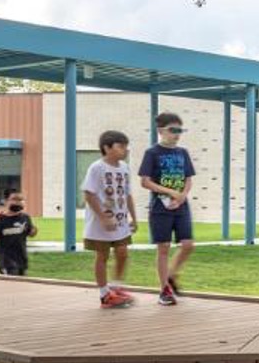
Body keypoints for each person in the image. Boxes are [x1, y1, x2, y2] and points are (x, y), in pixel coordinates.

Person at [138, 111, 197, 306]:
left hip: (181, 205)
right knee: (163, 247)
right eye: (173, 130)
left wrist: (181, 197)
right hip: (160, 207)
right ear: (161, 130)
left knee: (188, 245)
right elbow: (145, 182)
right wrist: (170, 192)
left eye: (180, 130)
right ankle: (164, 290)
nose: (177, 134)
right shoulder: (152, 153)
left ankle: (171, 276)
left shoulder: (183, 153)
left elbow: (188, 179)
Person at [82, 130, 138, 309]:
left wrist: (134, 218)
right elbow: (89, 194)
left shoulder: (124, 167)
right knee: (102, 256)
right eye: (121, 146)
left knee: (123, 253)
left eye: (126, 146)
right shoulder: (97, 167)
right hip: (101, 223)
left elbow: (128, 195)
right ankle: (105, 295)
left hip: (120, 222)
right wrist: (102, 218)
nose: (125, 150)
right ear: (107, 148)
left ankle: (116, 287)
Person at [0, 188, 36, 277]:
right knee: (11, 283)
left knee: (22, 285)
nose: (18, 202)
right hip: (6, 260)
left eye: (20, 200)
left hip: (22, 258)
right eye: (14, 199)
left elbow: (31, 234)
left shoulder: (25, 217)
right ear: (6, 201)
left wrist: (34, 229)